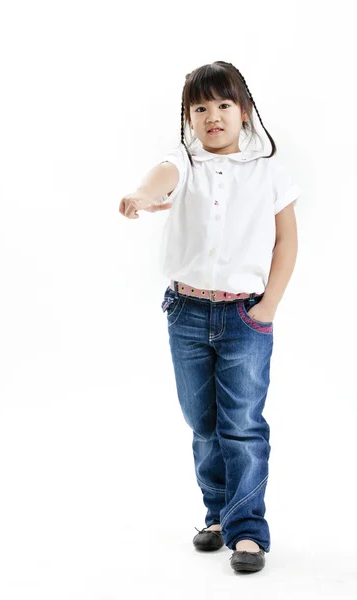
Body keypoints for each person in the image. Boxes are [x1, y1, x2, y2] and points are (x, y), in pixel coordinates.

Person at [118, 61, 301, 574]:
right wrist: (141, 195)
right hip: (187, 312)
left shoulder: (269, 170)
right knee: (202, 423)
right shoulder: (186, 162)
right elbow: (161, 177)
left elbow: (286, 242)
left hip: (246, 316)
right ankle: (217, 515)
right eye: (200, 108)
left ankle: (247, 531)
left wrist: (269, 307)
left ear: (244, 111)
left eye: (223, 105)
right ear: (188, 117)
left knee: (241, 425)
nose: (212, 116)